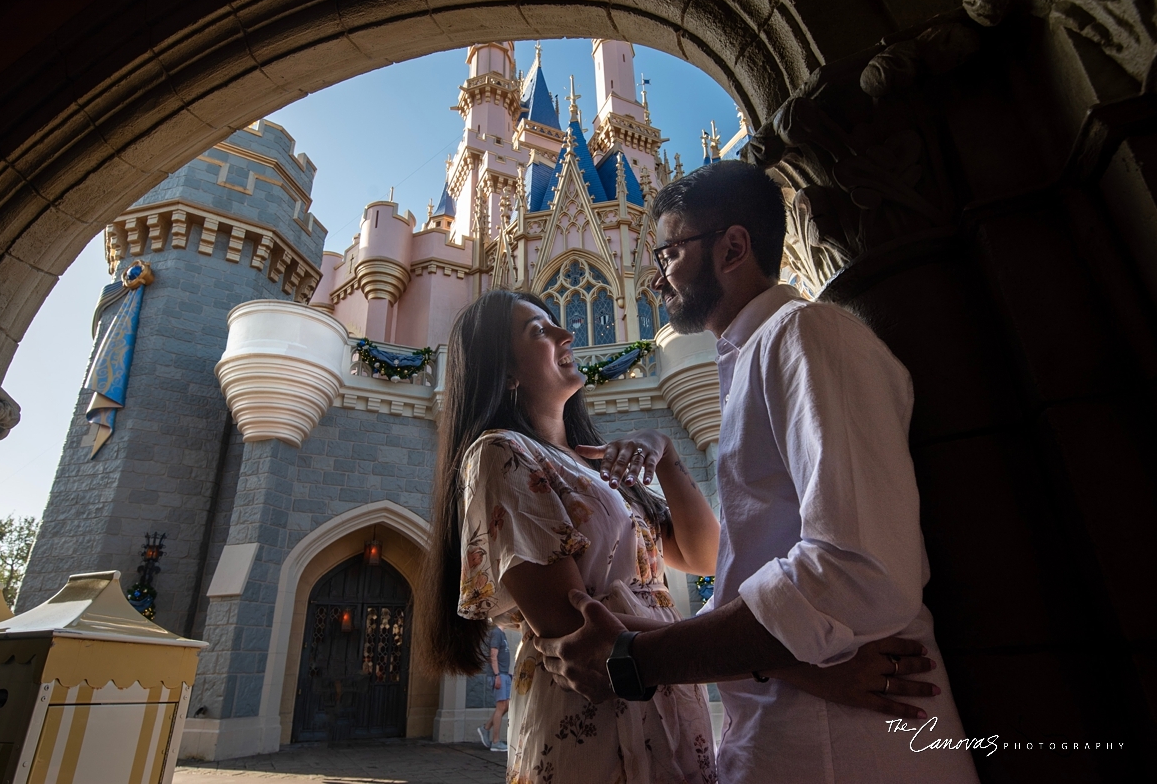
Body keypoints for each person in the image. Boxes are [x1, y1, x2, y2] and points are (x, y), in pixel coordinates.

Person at [535, 160, 982, 784]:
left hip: (843, 749)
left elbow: (857, 568)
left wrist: (641, 656)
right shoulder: (753, 356)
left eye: (668, 253)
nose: (656, 281)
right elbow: (753, 579)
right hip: (785, 733)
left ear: (733, 247)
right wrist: (792, 663)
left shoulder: (806, 335)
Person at [419, 287, 938, 784]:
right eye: (538, 330)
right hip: (593, 715)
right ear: (505, 369)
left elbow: (704, 553)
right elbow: (578, 630)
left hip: (666, 690)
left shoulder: (593, 465)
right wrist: (788, 662)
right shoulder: (500, 453)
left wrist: (666, 456)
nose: (565, 333)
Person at [476, 623, 512, 752]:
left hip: (504, 674)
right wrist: (497, 675)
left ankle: (485, 728)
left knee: (506, 706)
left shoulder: (502, 633)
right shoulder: (496, 633)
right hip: (499, 675)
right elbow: (493, 655)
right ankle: (496, 741)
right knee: (501, 706)